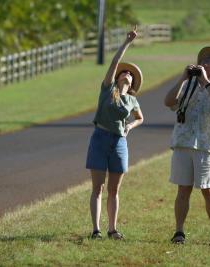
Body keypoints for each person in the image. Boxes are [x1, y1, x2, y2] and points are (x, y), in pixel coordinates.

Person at [164, 47, 210, 246]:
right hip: (183, 143)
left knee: (209, 190)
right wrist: (183, 77)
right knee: (183, 190)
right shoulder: (187, 85)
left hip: (206, 146)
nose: (206, 63)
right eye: (204, 60)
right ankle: (179, 231)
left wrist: (206, 83)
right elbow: (168, 102)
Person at [86, 26, 144, 240]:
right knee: (97, 188)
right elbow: (114, 63)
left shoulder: (133, 100)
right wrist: (127, 42)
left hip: (119, 142)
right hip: (100, 138)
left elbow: (140, 118)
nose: (126, 74)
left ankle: (112, 229)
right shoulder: (108, 89)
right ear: (118, 77)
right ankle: (96, 230)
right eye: (124, 72)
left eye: (130, 74)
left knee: (114, 190)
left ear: (133, 82)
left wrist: (130, 126)